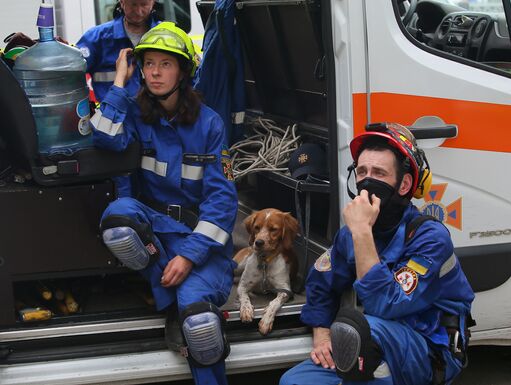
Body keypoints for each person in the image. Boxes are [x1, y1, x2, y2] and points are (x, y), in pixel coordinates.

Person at [90, 21, 238, 385]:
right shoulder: (139, 117)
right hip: (157, 232)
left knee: (200, 326)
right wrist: (121, 85)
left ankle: (179, 306)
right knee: (118, 222)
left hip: (200, 246)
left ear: (184, 71)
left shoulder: (211, 125)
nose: (154, 73)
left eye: (165, 64)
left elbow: (222, 202)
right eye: (148, 64)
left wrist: (189, 256)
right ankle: (173, 298)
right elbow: (103, 137)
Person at [280, 123, 475, 385]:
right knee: (293, 381)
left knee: (363, 333)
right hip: (371, 343)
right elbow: (321, 282)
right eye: (362, 171)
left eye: (379, 173)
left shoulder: (430, 238)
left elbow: (386, 304)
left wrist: (362, 233)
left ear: (404, 184)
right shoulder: (350, 233)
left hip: (428, 349)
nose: (367, 180)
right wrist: (322, 333)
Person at [77, 0, 160, 102]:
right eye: (133, 4)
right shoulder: (96, 39)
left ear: (153, 3)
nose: (138, 11)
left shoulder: (165, 35)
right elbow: (70, 74)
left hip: (155, 116)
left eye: (144, 5)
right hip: (112, 115)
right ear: (122, 2)